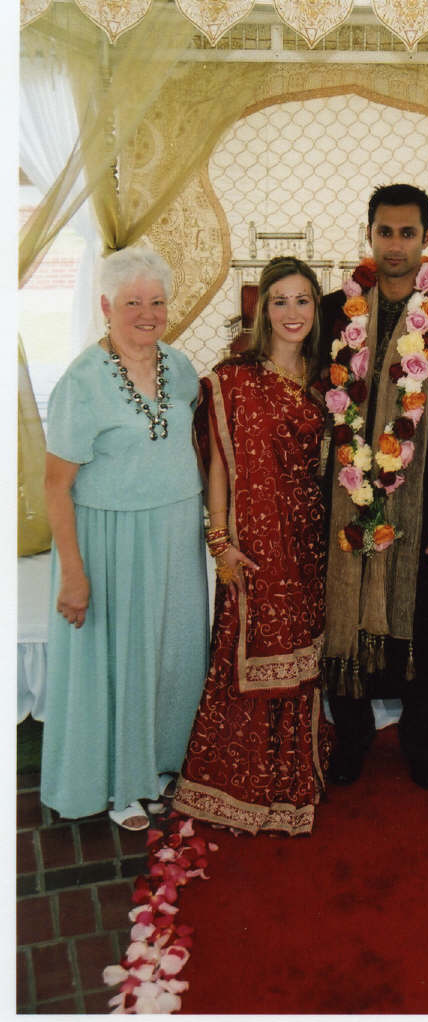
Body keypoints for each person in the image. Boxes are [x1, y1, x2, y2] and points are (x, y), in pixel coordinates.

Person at [321, 183, 428, 789]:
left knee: (424, 622)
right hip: (345, 497)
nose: (395, 245)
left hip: (424, 505)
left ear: (426, 238)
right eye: (384, 232)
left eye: (407, 233)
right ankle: (353, 734)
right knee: (343, 611)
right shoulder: (332, 313)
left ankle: (419, 741)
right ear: (368, 234)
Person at [41, 248, 209, 831]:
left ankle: (160, 764)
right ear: (106, 306)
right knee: (122, 662)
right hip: (112, 539)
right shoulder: (81, 381)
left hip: (176, 534)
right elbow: (55, 486)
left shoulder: (180, 368)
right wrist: (73, 573)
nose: (147, 313)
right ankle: (118, 784)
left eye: (156, 301)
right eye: (132, 301)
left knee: (173, 654)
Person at [172, 256, 330, 836]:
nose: (292, 312)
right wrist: (219, 541)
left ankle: (295, 774)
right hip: (254, 545)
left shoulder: (327, 380)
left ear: (316, 308)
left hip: (309, 542)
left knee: (301, 656)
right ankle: (238, 783)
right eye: (279, 301)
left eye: (302, 300)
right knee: (246, 654)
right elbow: (219, 466)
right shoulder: (234, 379)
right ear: (262, 309)